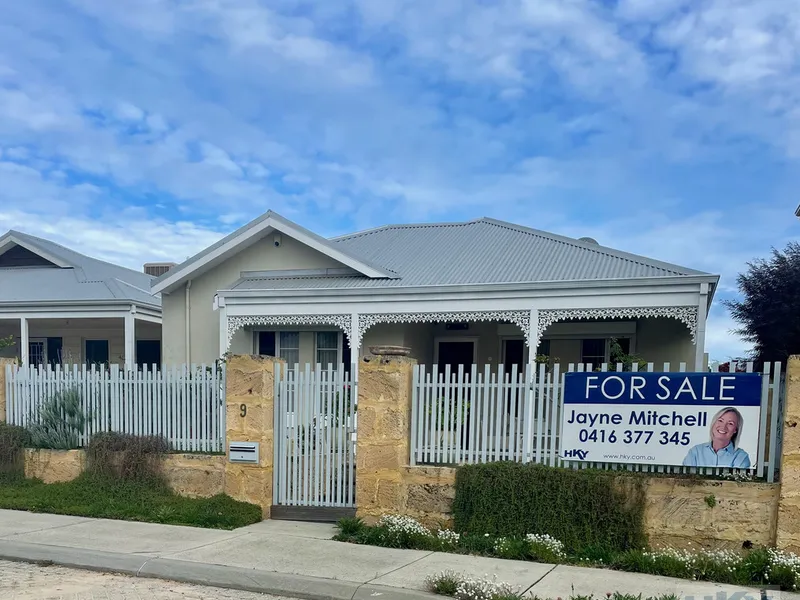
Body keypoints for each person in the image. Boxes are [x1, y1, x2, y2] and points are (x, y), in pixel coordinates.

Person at [682, 407, 751, 468]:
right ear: (714, 423)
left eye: (730, 423)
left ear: (736, 430)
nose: (723, 426)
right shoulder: (696, 452)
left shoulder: (741, 457)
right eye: (720, 420)